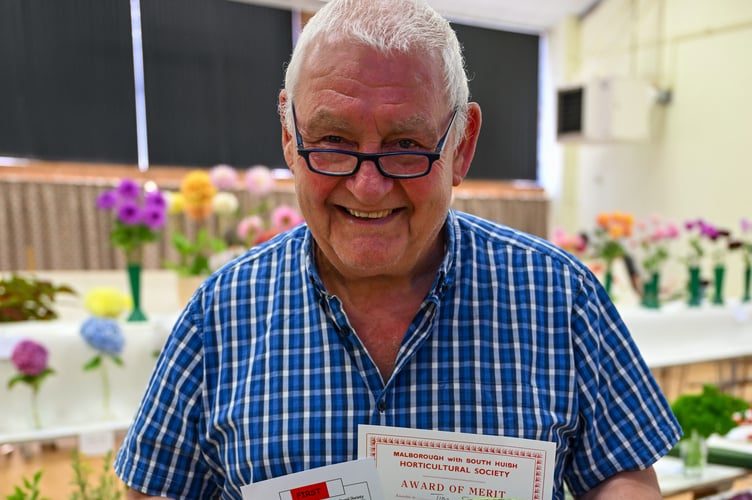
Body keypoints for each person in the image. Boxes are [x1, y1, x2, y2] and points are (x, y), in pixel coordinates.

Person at [114, 0, 682, 498]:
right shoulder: (219, 315)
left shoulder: (560, 296)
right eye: (333, 141)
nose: (367, 186)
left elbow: (621, 476)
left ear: (462, 145)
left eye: (406, 146)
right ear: (290, 136)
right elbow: (158, 490)